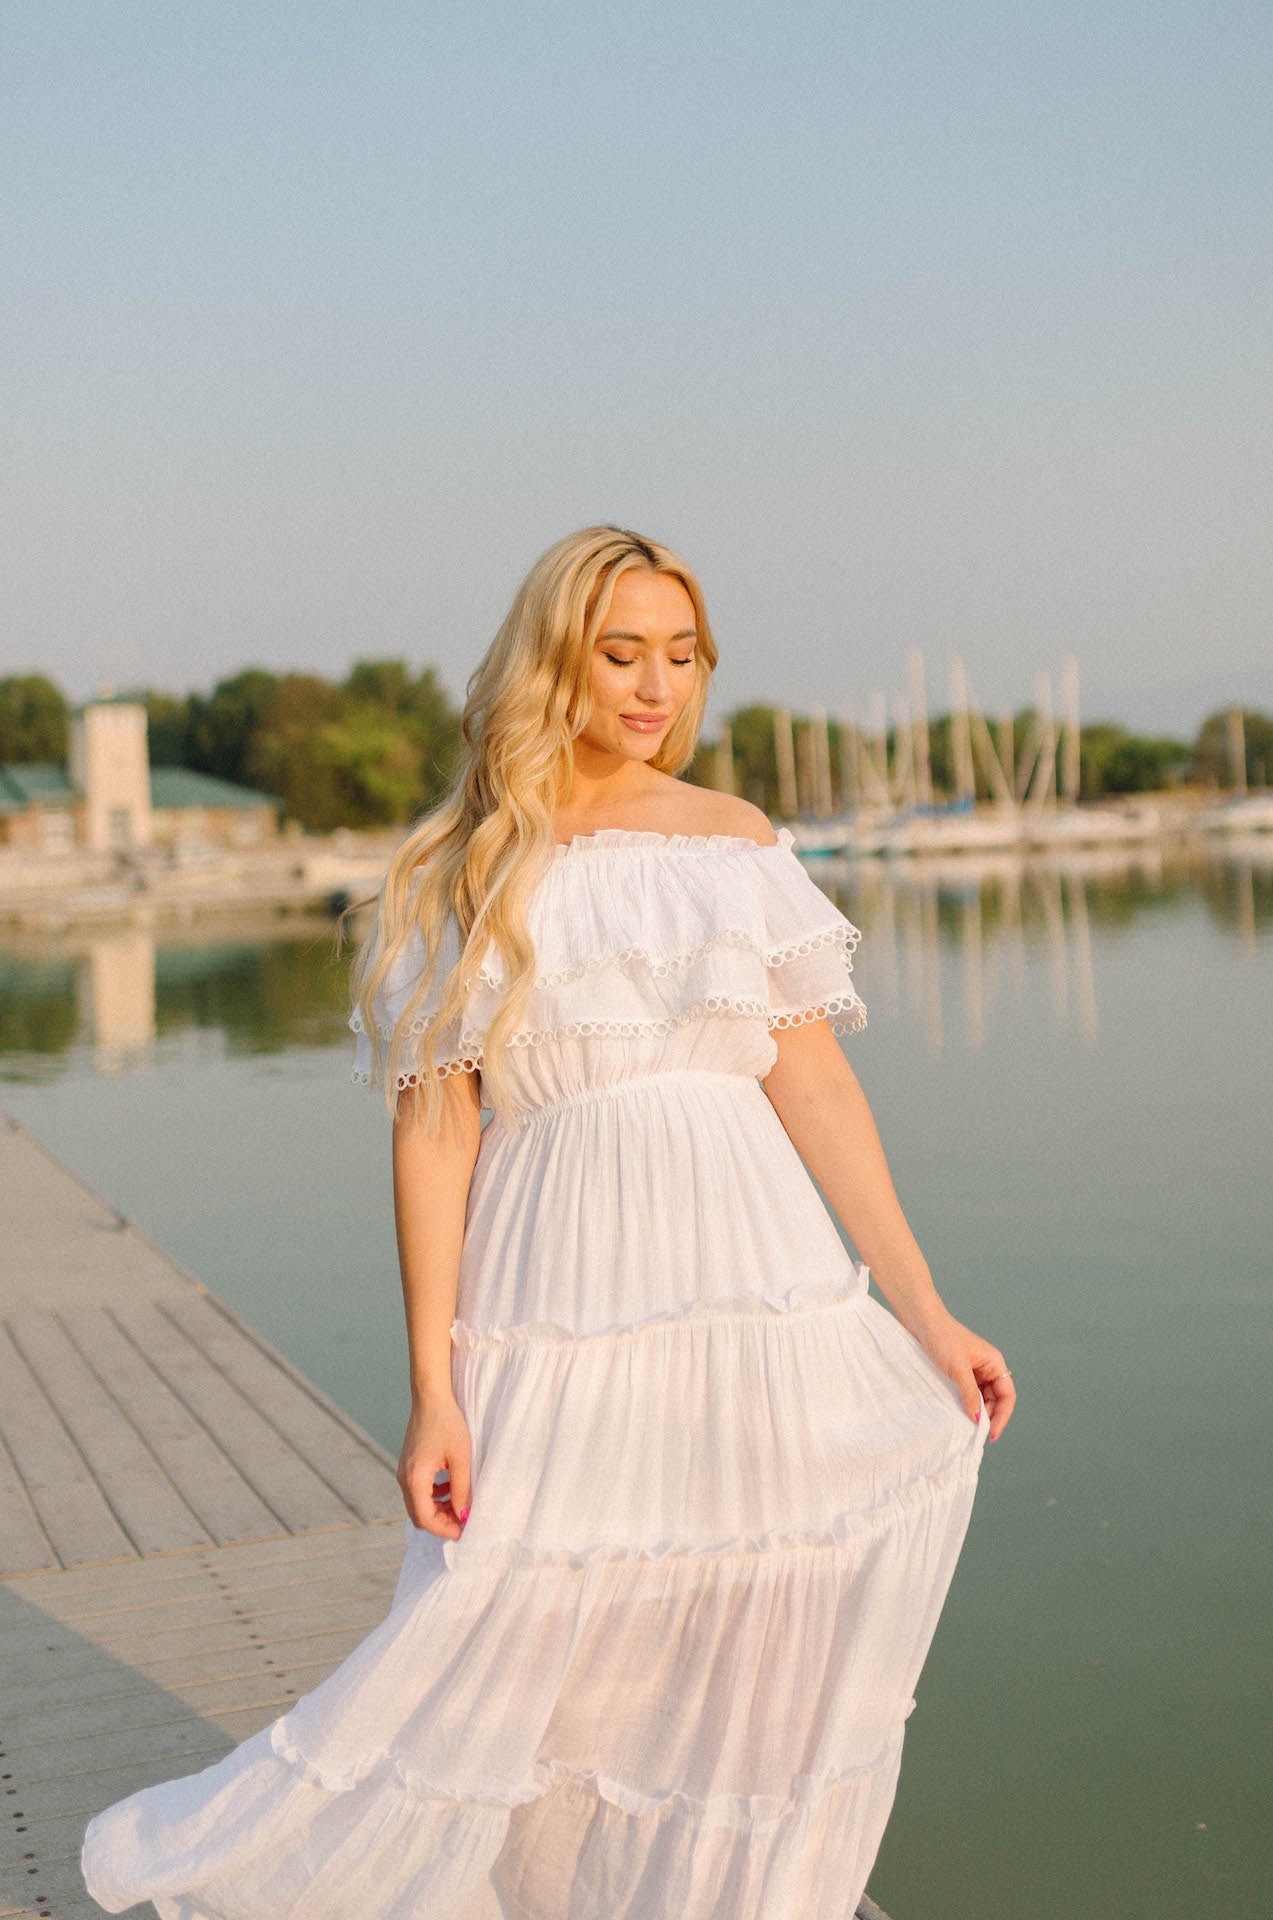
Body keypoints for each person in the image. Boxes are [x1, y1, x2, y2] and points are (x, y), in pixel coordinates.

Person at [81, 524, 1015, 1919]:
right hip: (557, 1284)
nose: (655, 686)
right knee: (523, 1612)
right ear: (552, 660)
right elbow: (435, 1131)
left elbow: (812, 1083)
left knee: (757, 1606)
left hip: (751, 1275)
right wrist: (431, 1389)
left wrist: (924, 1308)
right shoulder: (457, 867)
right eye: (620, 651)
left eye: (681, 655)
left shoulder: (732, 841)